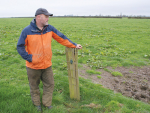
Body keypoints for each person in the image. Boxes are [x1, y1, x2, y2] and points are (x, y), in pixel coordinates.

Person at [17, 8, 82, 112]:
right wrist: (30, 58)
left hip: (47, 65)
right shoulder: (27, 31)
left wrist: (74, 45)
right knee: (34, 87)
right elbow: (20, 46)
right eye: (46, 16)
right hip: (33, 66)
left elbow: (61, 38)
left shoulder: (49, 29)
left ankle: (47, 104)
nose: (48, 19)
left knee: (50, 84)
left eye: (48, 16)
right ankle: (37, 105)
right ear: (38, 17)